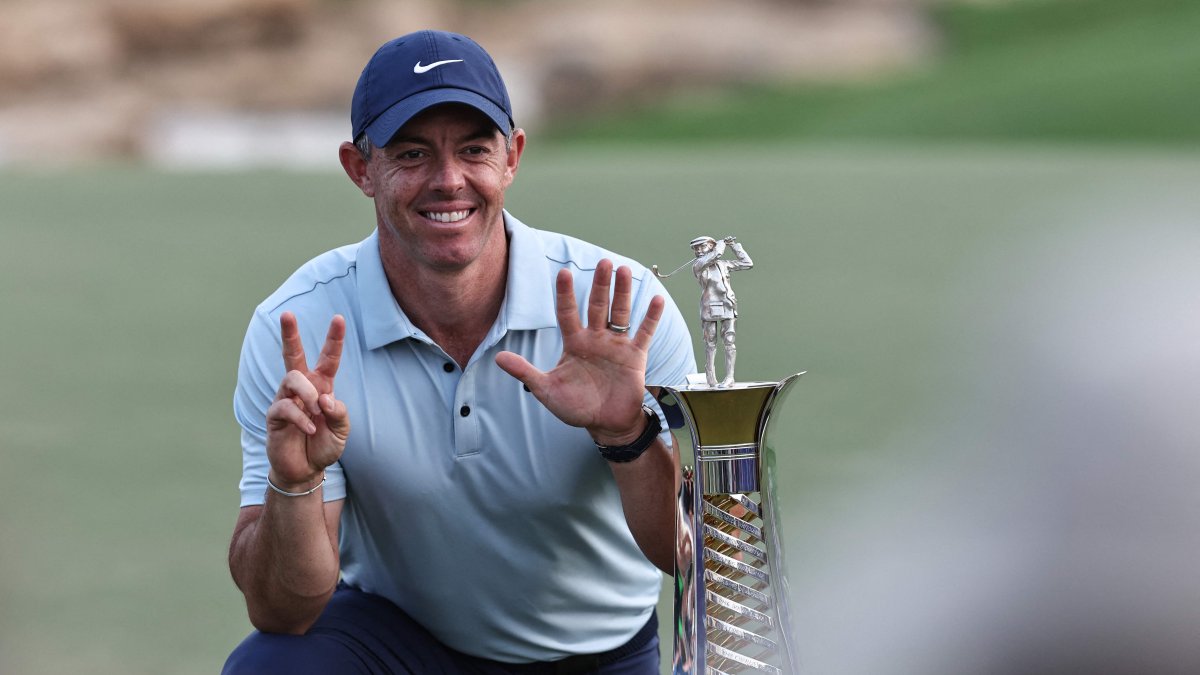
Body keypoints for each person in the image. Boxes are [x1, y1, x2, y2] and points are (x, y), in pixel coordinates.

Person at [221, 30, 695, 675]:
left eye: (474, 149)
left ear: (512, 157)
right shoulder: (297, 326)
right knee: (274, 667)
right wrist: (295, 485)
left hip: (595, 654)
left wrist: (627, 434)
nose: (449, 182)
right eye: (412, 154)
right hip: (401, 641)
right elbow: (284, 614)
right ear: (361, 168)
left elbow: (688, 557)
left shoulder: (622, 308)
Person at [689, 235, 752, 387]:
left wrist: (733, 245)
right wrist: (720, 244)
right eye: (696, 248)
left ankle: (730, 377)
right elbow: (717, 254)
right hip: (709, 306)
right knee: (710, 342)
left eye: (702, 247)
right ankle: (711, 376)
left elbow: (747, 263)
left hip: (728, 304)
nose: (698, 251)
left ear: (710, 246)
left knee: (729, 341)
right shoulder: (698, 264)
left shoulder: (723, 264)